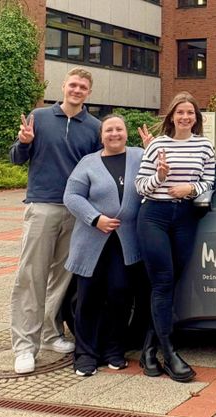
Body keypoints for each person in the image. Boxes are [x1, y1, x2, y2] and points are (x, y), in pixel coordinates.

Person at [9, 68, 101, 374]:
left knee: (61, 279)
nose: (77, 90)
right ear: (63, 86)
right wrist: (24, 142)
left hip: (76, 211)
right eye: (73, 84)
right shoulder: (39, 117)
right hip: (42, 206)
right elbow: (16, 158)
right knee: (31, 277)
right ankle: (25, 346)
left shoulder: (94, 127)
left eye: (83, 87)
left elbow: (98, 169)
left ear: (89, 92)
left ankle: (50, 334)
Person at [135, 92, 215, 382]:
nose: (185, 117)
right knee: (163, 281)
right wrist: (160, 176)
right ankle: (170, 354)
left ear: (196, 118)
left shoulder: (205, 146)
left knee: (170, 283)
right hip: (154, 216)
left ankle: (148, 349)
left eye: (190, 113)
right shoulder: (158, 145)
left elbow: (209, 181)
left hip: (184, 217)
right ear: (171, 116)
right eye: (180, 112)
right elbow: (140, 186)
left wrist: (189, 189)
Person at [63, 115, 149, 376]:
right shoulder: (88, 162)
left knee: (120, 295)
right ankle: (85, 354)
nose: (114, 134)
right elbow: (71, 196)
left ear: (126, 133)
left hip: (125, 242)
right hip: (92, 240)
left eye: (119, 129)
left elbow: (160, 176)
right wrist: (95, 218)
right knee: (88, 298)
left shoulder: (140, 156)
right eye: (109, 130)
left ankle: (114, 350)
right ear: (101, 136)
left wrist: (155, 150)